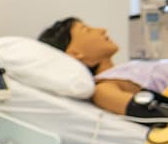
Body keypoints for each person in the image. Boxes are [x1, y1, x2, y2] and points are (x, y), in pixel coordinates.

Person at [36, 16, 168, 118]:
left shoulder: (124, 70)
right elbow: (154, 114)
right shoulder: (103, 89)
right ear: (75, 53)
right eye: (87, 30)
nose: (102, 30)